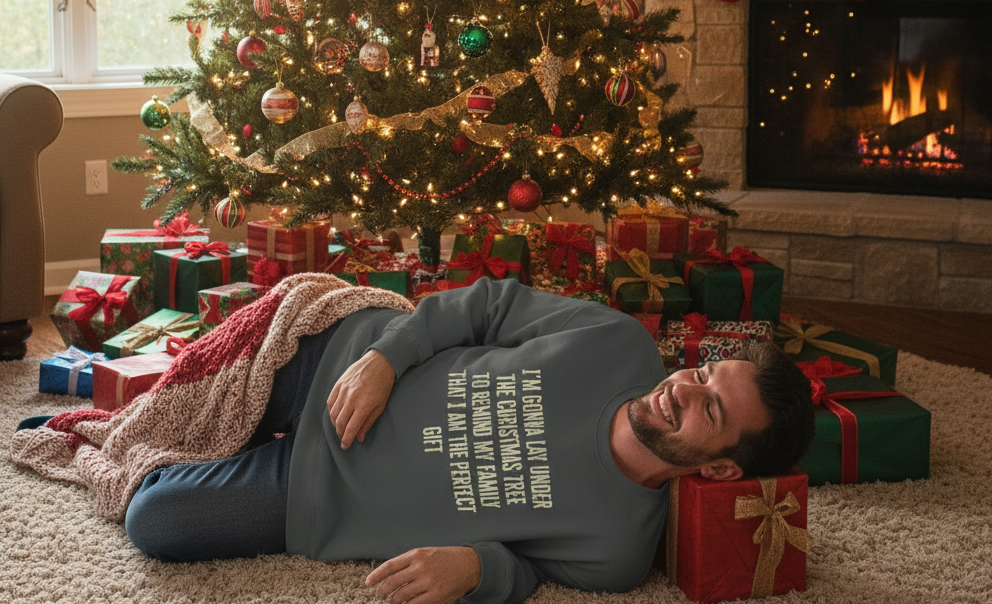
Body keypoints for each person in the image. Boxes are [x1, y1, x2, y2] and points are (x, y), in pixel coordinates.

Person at [118, 278, 814, 604]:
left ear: (722, 469)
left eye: (711, 411)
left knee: (155, 518)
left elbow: (531, 568)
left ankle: (229, 449)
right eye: (702, 372)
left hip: (318, 498)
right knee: (187, 393)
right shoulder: (618, 344)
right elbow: (486, 304)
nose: (683, 390)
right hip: (344, 367)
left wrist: (478, 570)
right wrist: (385, 360)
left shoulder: (620, 553)